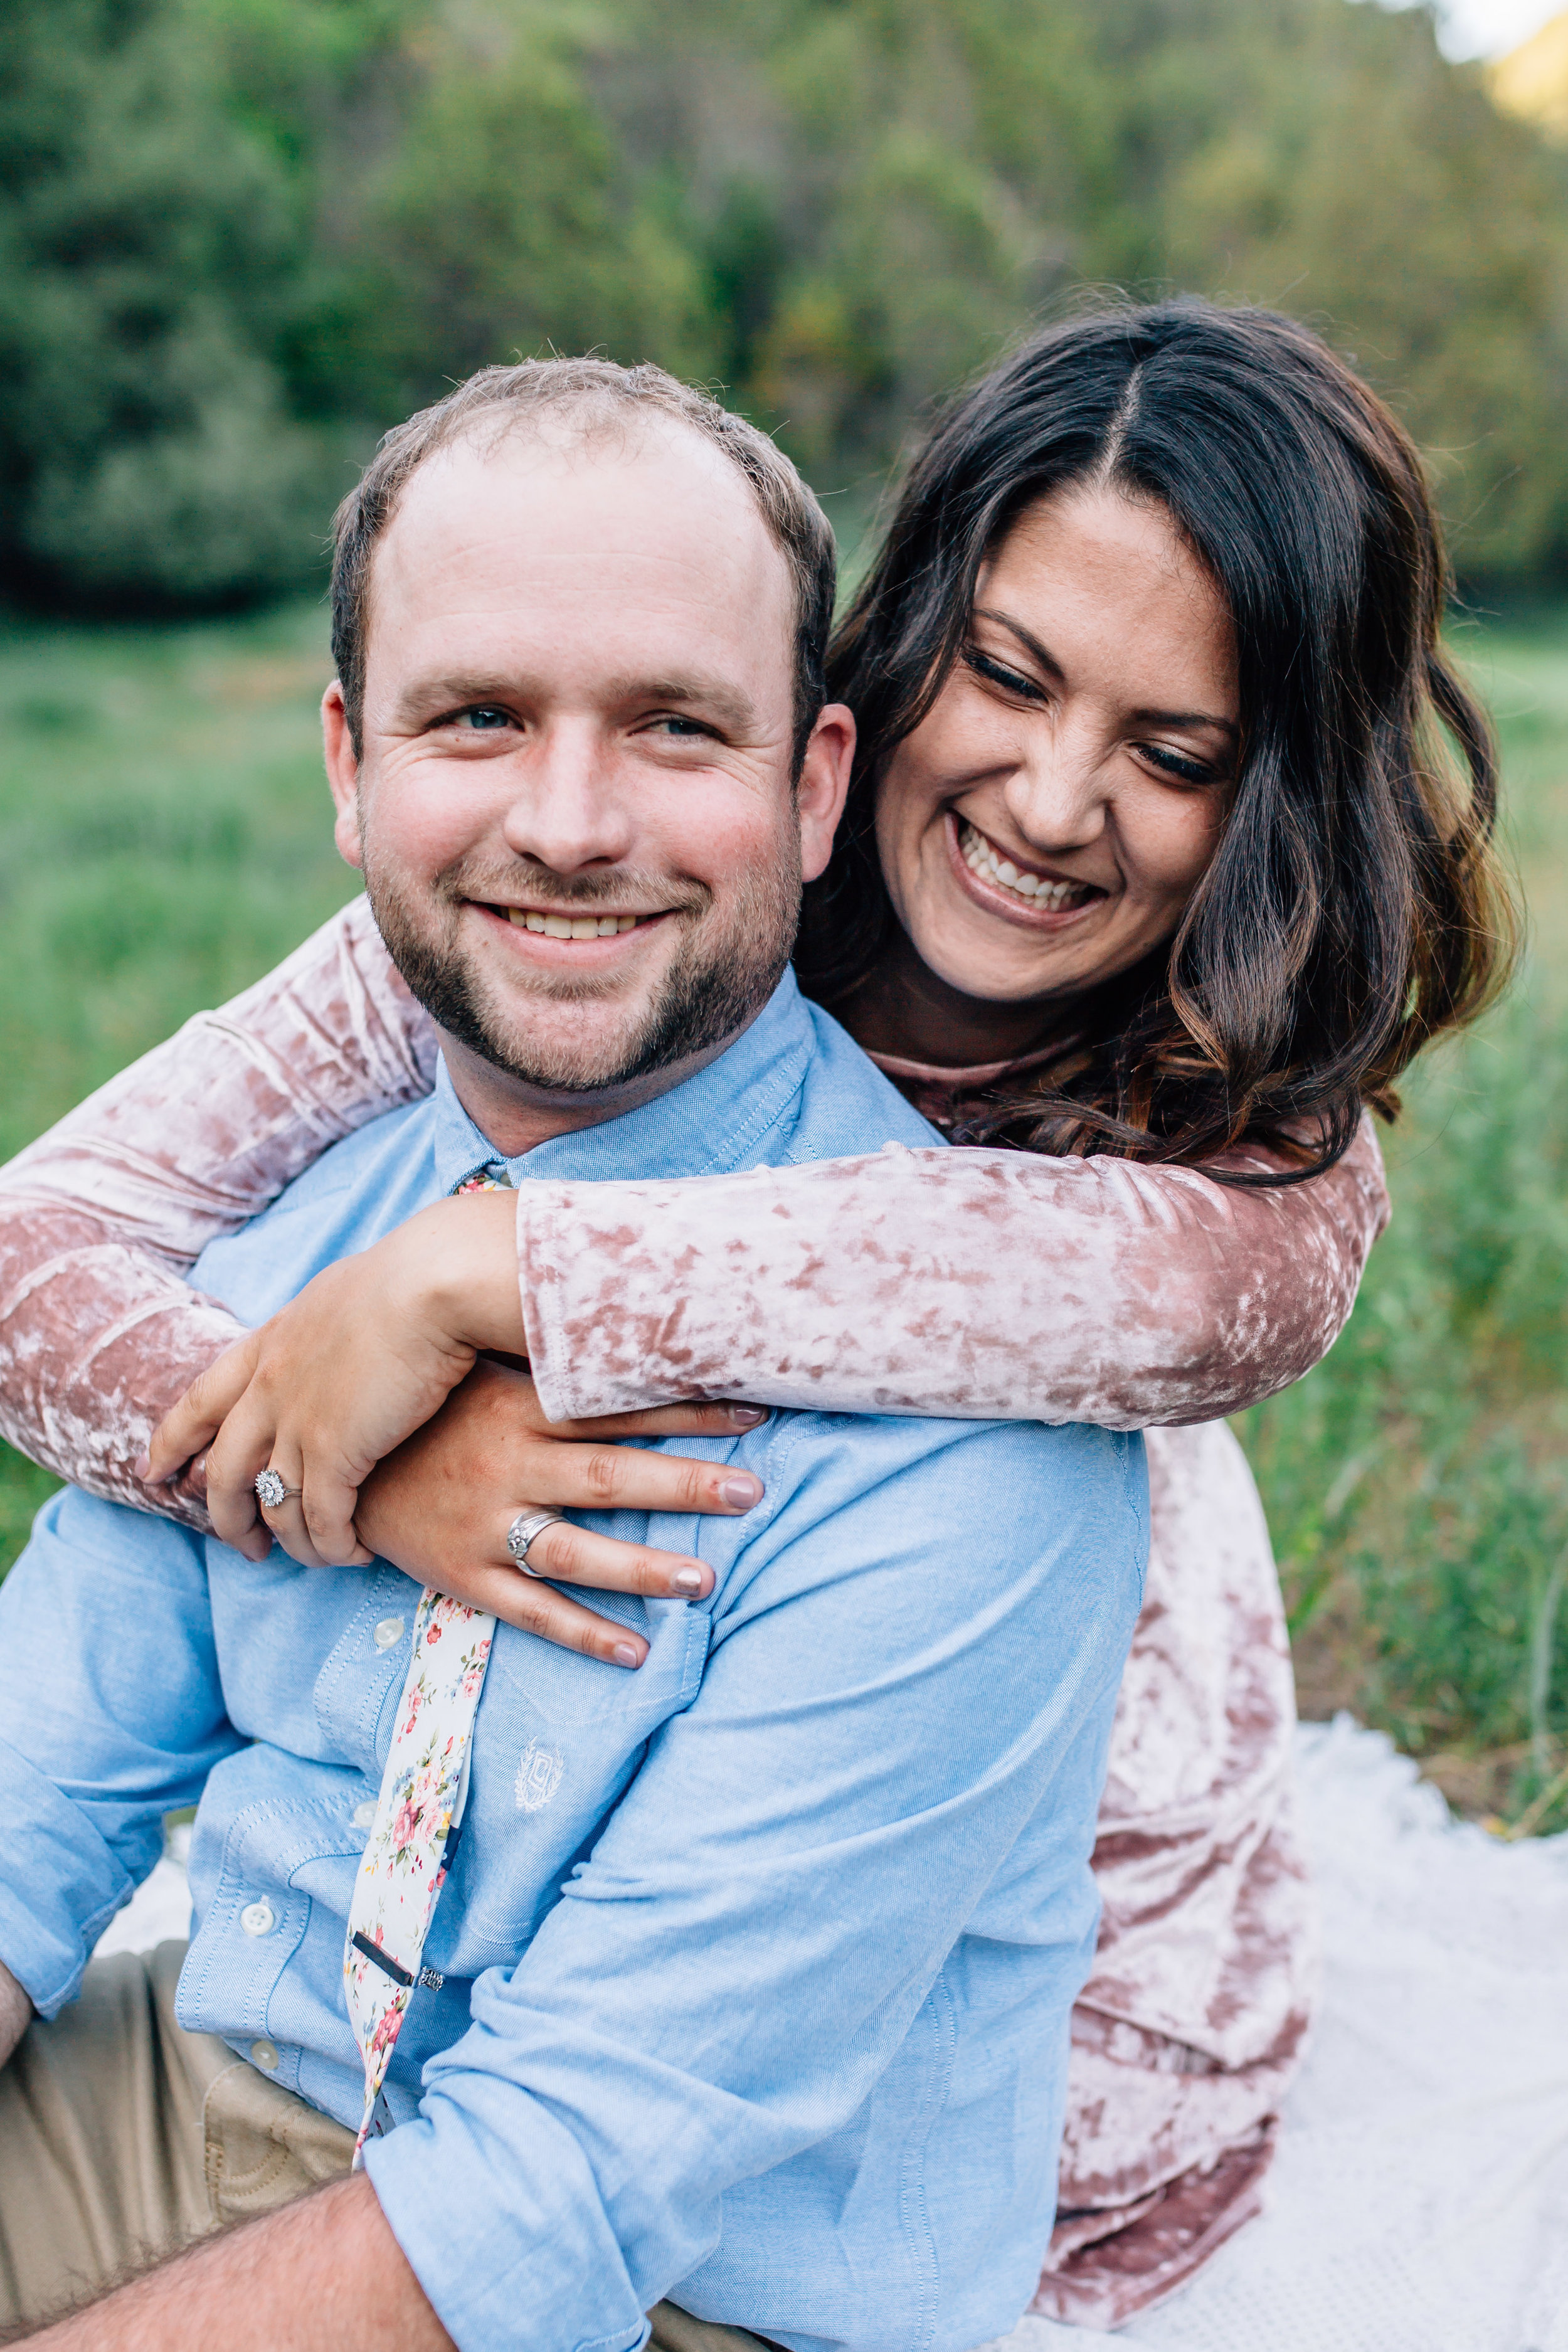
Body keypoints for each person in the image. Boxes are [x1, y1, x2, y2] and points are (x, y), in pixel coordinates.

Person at [0, 304, 1511, 2325]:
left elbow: (603, 2156)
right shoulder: (519, 954)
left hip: (937, 2002)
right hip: (388, 2012)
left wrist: (491, 1274)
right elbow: (43, 1266)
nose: (1055, 802)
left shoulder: (1176, 1235)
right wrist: (361, 1443)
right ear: (874, 700)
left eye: (1172, 754)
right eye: (1007, 677)